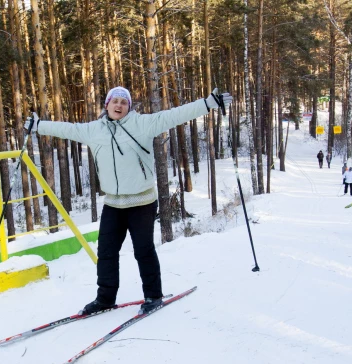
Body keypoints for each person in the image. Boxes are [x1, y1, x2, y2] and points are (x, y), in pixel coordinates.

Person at [24, 86, 232, 314]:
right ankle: (105, 299)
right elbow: (67, 129)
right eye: (115, 101)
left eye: (124, 102)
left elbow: (176, 114)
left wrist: (209, 103)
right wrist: (38, 125)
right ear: (107, 105)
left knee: (143, 250)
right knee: (105, 252)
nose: (119, 105)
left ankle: (153, 295)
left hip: (141, 202)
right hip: (113, 203)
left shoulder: (142, 124)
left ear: (129, 106)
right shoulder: (94, 130)